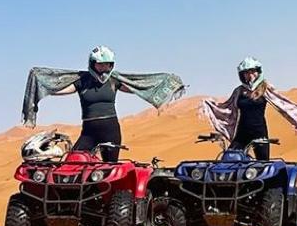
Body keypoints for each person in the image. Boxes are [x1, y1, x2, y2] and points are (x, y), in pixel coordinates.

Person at [21, 47, 185, 164]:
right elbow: (60, 89)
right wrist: (42, 85)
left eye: (107, 64)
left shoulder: (114, 80)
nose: (104, 67)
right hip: (88, 132)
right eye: (100, 64)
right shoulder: (82, 81)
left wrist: (162, 83)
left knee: (110, 168)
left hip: (111, 130)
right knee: (74, 161)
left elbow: (138, 87)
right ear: (92, 64)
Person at [199, 57, 297, 160]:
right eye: (246, 73)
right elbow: (227, 108)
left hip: (259, 132)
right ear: (242, 75)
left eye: (252, 71)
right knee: (229, 159)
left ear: (258, 72)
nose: (250, 75)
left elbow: (282, 103)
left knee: (262, 164)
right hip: (242, 133)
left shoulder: (265, 88)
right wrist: (210, 105)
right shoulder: (239, 91)